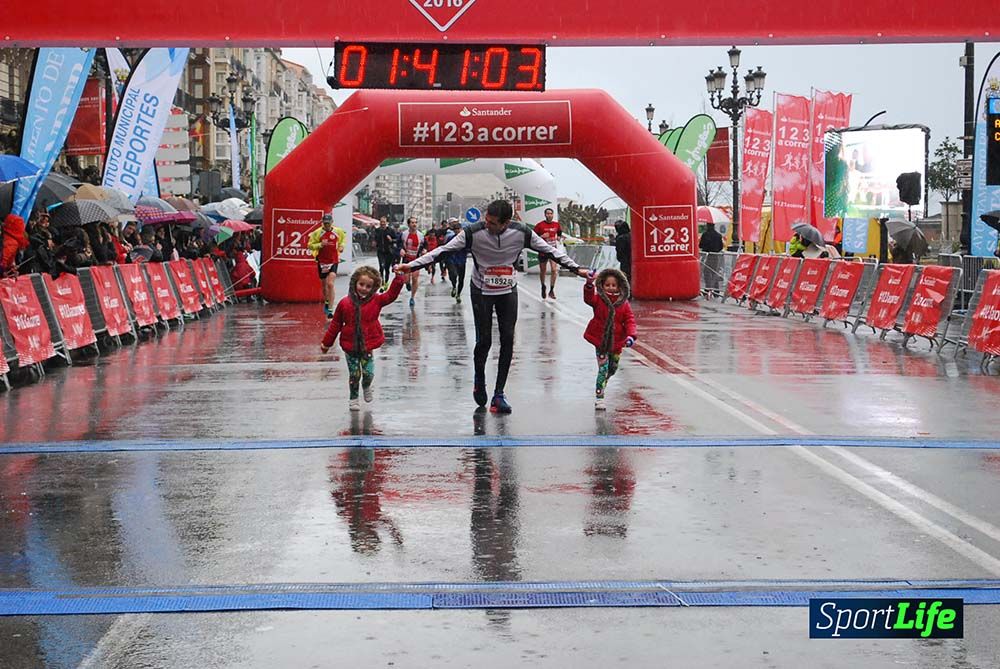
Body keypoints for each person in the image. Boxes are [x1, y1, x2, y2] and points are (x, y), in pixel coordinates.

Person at [396, 199, 588, 414]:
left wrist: (576, 268)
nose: (487, 224)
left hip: (507, 291)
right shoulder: (472, 232)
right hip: (481, 290)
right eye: (486, 220)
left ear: (506, 222)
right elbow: (442, 251)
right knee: (484, 340)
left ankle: (499, 393)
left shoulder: (521, 232)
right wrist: (410, 265)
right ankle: (479, 379)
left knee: (507, 339)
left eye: (493, 223)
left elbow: (552, 251)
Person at [320, 265, 405, 412]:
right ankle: (353, 397)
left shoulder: (376, 301)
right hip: (350, 345)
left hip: (367, 344)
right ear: (354, 283)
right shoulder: (344, 303)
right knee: (354, 374)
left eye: (368, 286)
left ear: (373, 287)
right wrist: (327, 343)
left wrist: (398, 279)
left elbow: (391, 295)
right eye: (361, 284)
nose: (364, 288)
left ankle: (366, 386)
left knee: (368, 373)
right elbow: (336, 324)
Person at [583, 268, 637, 410]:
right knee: (603, 368)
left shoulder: (624, 304)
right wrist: (589, 284)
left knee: (612, 368)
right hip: (600, 341)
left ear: (620, 286)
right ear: (602, 285)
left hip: (617, 341)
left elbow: (630, 320)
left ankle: (603, 382)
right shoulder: (599, 299)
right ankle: (599, 397)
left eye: (614, 285)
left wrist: (631, 335)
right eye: (607, 285)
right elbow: (588, 298)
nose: (611, 288)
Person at [308, 212, 346, 318]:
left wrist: (342, 246)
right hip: (322, 261)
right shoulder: (317, 233)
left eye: (328, 224)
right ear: (322, 223)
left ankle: (330, 309)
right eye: (325, 224)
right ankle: (326, 301)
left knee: (330, 284)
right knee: (324, 286)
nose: (327, 226)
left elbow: (343, 240)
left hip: (333, 260)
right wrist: (320, 245)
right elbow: (310, 246)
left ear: (332, 223)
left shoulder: (338, 231)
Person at [534, 208, 564, 299]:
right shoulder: (540, 225)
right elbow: (533, 236)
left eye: (551, 213)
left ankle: (551, 290)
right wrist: (541, 236)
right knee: (543, 270)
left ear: (553, 215)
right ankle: (543, 286)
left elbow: (559, 232)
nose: (549, 215)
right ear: (545, 215)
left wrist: (558, 237)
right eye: (547, 213)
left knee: (554, 270)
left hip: (552, 250)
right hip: (543, 251)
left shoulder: (556, 224)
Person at [399, 217, 424, 307]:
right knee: (406, 279)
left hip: (416, 260)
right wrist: (401, 249)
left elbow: (425, 245)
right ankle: (407, 284)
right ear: (409, 224)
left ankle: (412, 297)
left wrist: (424, 250)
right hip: (406, 259)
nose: (414, 224)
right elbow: (399, 244)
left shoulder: (420, 235)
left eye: (415, 223)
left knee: (415, 278)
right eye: (412, 223)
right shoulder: (404, 234)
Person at [443, 217, 467, 303]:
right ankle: (453, 286)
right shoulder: (450, 238)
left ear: (461, 230)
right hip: (452, 260)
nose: (457, 231)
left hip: (462, 261)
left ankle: (458, 294)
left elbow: (469, 249)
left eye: (458, 229)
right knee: (453, 275)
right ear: (453, 230)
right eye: (455, 229)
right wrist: (444, 263)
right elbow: (446, 249)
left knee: (461, 279)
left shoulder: (465, 239)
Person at [374, 217, 396, 287]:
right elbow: (374, 238)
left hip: (389, 252)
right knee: (381, 266)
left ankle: (386, 281)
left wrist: (391, 240)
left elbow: (396, 239)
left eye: (384, 222)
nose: (382, 223)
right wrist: (374, 242)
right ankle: (382, 281)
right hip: (380, 251)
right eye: (381, 222)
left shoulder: (390, 230)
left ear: (386, 222)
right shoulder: (377, 230)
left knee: (386, 268)